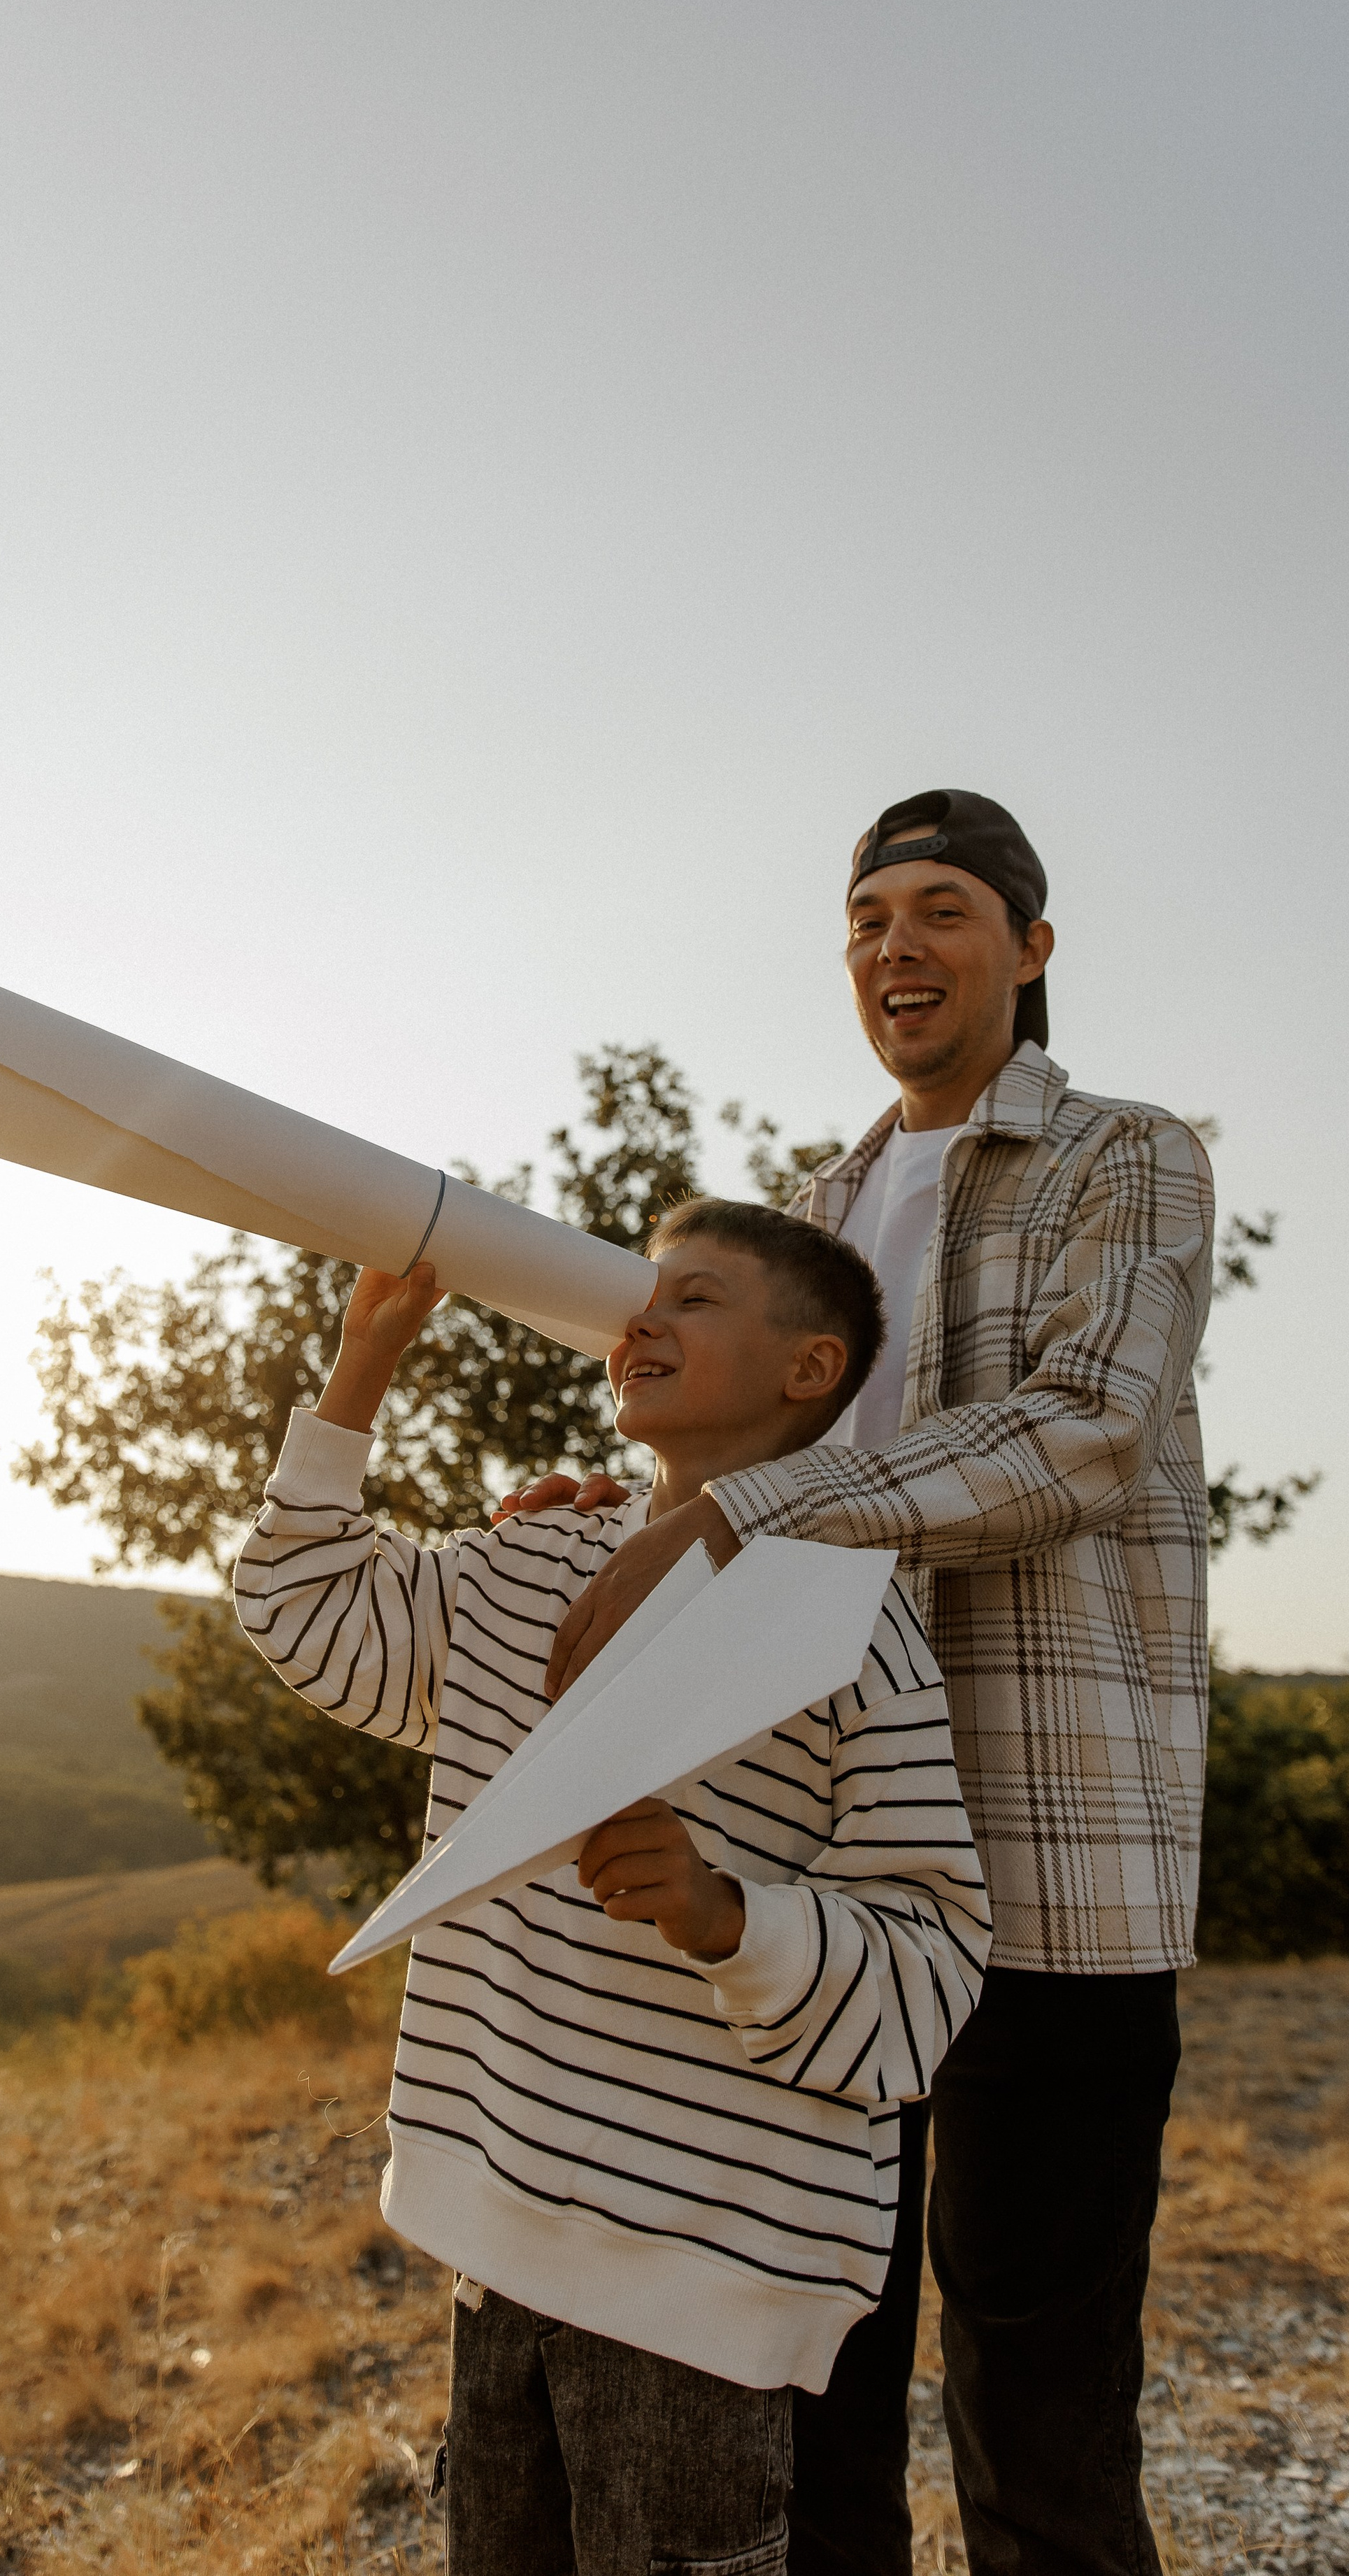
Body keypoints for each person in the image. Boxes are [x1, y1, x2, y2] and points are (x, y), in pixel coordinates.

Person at [511, 789, 1215, 2576]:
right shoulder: (806, 1213)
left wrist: (745, 1503)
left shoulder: (1126, 1157)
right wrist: (642, 1498)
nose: (894, 946)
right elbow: (730, 1459)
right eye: (866, 920)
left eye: (943, 912)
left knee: (1039, 2426)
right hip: (821, 1873)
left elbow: (1087, 1430)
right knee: (810, 2404)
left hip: (1057, 1881)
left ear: (1030, 951)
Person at [232, 1197, 991, 2576]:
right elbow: (311, 1614)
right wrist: (360, 1368)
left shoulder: (853, 1624)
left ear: (806, 1369)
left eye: (695, 1298)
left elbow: (929, 1963)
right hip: (491, 2243)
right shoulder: (534, 1551)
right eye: (642, 1295)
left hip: (698, 2294)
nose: (643, 1317)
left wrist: (723, 1916)